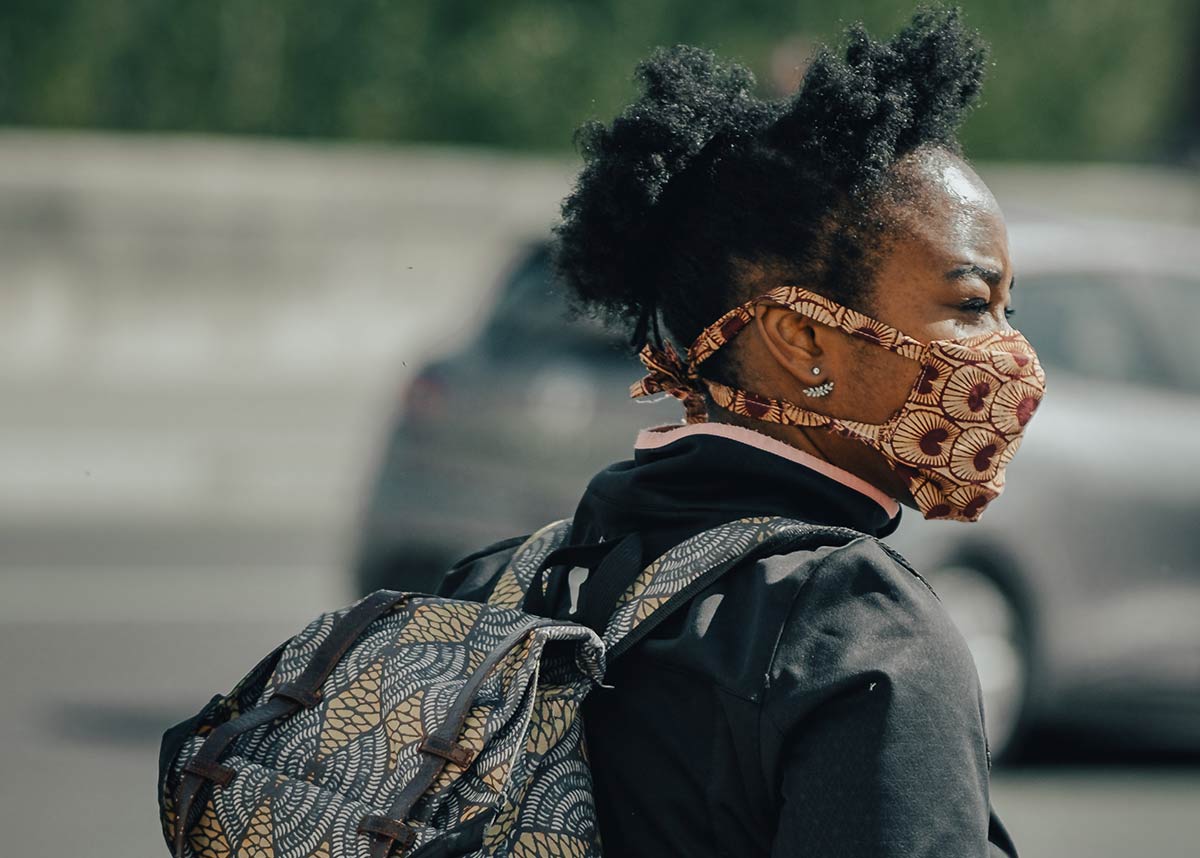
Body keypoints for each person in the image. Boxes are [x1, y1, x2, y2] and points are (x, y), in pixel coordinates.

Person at [439, 8, 1034, 857]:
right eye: (972, 304)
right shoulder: (858, 630)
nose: (1010, 354)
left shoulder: (501, 585)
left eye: (1010, 309)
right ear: (802, 339)